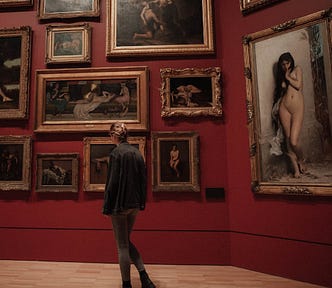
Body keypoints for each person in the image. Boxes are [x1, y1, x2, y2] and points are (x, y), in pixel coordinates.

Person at [102, 122, 156, 288]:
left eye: (110, 135)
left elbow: (112, 183)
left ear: (114, 135)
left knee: (122, 245)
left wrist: (107, 205)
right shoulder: (137, 153)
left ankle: (126, 284)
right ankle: (144, 277)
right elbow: (143, 181)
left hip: (119, 205)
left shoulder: (116, 153)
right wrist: (141, 203)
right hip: (134, 205)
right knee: (126, 241)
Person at [272, 52, 305, 178]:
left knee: (294, 141)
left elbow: (298, 85)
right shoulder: (282, 76)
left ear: (291, 62)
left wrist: (287, 77)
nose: (286, 66)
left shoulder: (297, 69)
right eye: (283, 64)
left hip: (297, 107)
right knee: (287, 139)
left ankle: (301, 159)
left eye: (287, 63)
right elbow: (280, 93)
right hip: (284, 108)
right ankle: (296, 169)